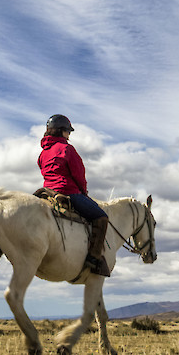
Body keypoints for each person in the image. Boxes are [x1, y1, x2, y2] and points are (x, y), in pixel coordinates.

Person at [37, 114, 111, 276]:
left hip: (47, 191)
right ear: (62, 131)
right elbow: (78, 174)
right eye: (68, 132)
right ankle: (93, 258)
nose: (69, 135)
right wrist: (83, 192)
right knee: (101, 218)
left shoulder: (43, 153)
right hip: (67, 191)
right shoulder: (67, 149)